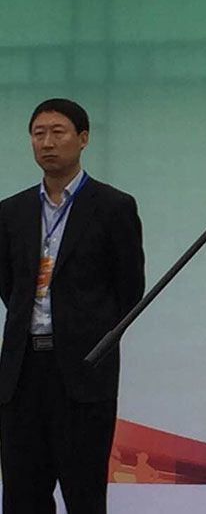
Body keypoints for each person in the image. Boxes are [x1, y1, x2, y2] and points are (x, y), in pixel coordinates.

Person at [0, 99, 145, 513]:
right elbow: (9, 286)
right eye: (38, 133)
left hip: (82, 373)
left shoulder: (113, 207)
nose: (47, 142)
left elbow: (129, 290)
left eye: (57, 132)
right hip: (22, 372)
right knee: (22, 495)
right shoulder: (10, 212)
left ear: (83, 139)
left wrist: (85, 329)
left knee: (84, 495)